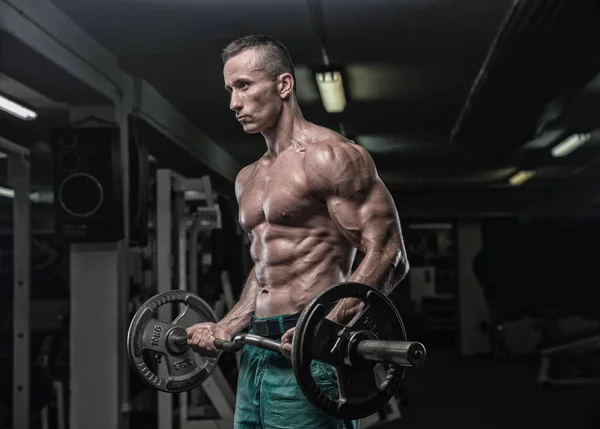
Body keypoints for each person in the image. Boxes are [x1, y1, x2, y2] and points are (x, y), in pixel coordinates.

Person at [187, 34, 409, 429]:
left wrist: (326, 329)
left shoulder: (330, 157)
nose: (233, 103)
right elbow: (266, 267)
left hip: (310, 352)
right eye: (229, 90)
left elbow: (389, 253)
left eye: (244, 86)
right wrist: (228, 324)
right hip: (256, 352)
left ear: (283, 85)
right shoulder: (247, 178)